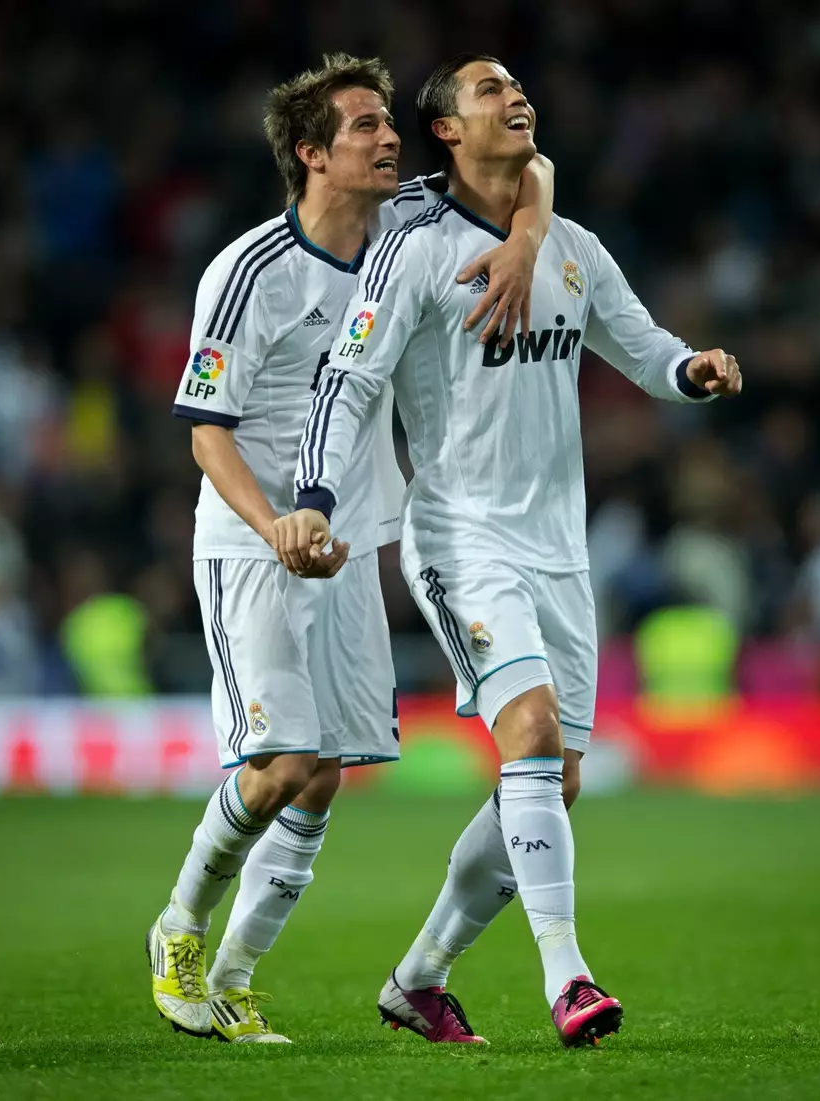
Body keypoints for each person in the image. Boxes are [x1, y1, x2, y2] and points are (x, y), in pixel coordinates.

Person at [275, 54, 742, 1048]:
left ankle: (419, 976)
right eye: (488, 91)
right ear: (444, 130)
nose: (515, 96)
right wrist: (314, 495)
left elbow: (641, 345)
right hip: (461, 535)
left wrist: (691, 369)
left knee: (554, 778)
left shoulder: (570, 244)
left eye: (517, 85)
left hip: (559, 551)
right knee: (526, 734)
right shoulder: (410, 252)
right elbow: (347, 383)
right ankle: (568, 978)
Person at [149, 52, 555, 1045]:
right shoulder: (250, 270)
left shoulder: (411, 227)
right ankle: (181, 926)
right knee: (284, 762)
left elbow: (531, 167)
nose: (389, 139)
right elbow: (207, 428)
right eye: (366, 126)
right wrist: (274, 521)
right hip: (254, 546)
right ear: (311, 153)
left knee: (325, 777)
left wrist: (528, 238)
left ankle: (237, 979)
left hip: (354, 543)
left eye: (389, 123)